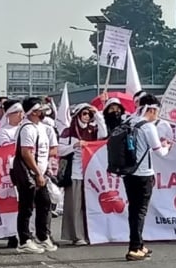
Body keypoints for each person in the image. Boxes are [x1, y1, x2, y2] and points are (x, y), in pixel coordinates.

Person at [121, 94, 169, 261]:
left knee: (134, 210)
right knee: (140, 211)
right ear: (151, 109)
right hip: (143, 174)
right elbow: (160, 152)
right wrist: (167, 146)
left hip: (128, 173)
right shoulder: (148, 127)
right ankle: (134, 247)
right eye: (157, 111)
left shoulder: (128, 121)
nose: (157, 114)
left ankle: (139, 243)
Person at [12, 98, 56, 254]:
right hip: (29, 174)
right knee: (27, 207)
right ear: (35, 111)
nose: (44, 112)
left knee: (45, 204)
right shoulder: (28, 128)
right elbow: (26, 153)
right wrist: (37, 173)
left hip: (40, 173)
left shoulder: (41, 127)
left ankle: (42, 237)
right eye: (41, 109)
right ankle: (24, 240)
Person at [58, 103, 107, 245]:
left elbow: (103, 135)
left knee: (89, 206)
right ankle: (76, 235)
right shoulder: (68, 132)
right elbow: (59, 150)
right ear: (78, 115)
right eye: (84, 114)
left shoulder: (92, 130)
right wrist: (74, 146)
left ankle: (90, 234)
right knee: (74, 206)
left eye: (89, 114)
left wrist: (97, 114)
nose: (87, 117)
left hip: (90, 174)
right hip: (74, 173)